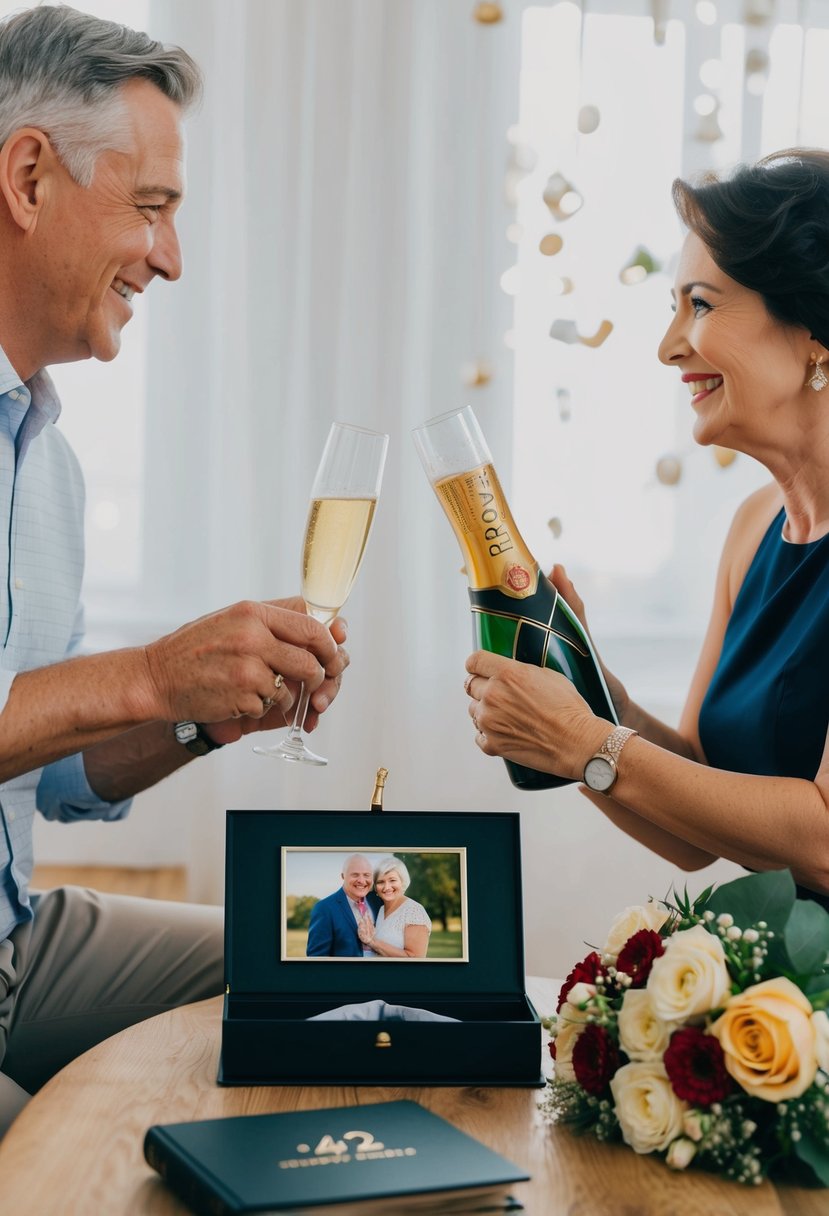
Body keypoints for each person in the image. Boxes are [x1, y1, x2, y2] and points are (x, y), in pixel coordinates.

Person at [0, 5, 349, 1136]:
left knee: (324, 971)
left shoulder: (42, 461)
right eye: (151, 208)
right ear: (28, 176)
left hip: (16, 938)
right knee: (67, 1178)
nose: (171, 257)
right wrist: (153, 672)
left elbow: (52, 774)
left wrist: (200, 713)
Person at [464, 148, 829, 910]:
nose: (668, 345)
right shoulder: (754, 525)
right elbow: (694, 826)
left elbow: (821, 841)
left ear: (811, 334)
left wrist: (584, 742)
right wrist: (592, 695)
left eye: (699, 304)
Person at [306, 854, 381, 957]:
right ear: (343, 876)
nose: (362, 880)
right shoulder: (324, 909)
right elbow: (317, 958)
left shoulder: (378, 902)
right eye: (355, 875)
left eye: (366, 875)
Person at [358, 856, 431, 958]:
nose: (387, 887)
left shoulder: (414, 911)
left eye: (392, 880)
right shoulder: (381, 910)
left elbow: (414, 958)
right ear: (375, 887)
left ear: (402, 881)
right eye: (380, 882)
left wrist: (372, 942)